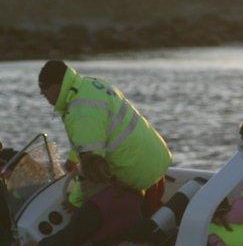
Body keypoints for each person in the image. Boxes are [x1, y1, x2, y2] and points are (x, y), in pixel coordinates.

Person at [37, 59, 171, 217]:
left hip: (138, 172)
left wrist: (75, 201)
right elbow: (89, 140)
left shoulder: (81, 111)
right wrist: (72, 162)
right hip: (154, 159)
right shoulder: (88, 85)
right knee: (153, 217)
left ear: (56, 86)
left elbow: (92, 164)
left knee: (136, 225)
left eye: (43, 88)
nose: (42, 93)